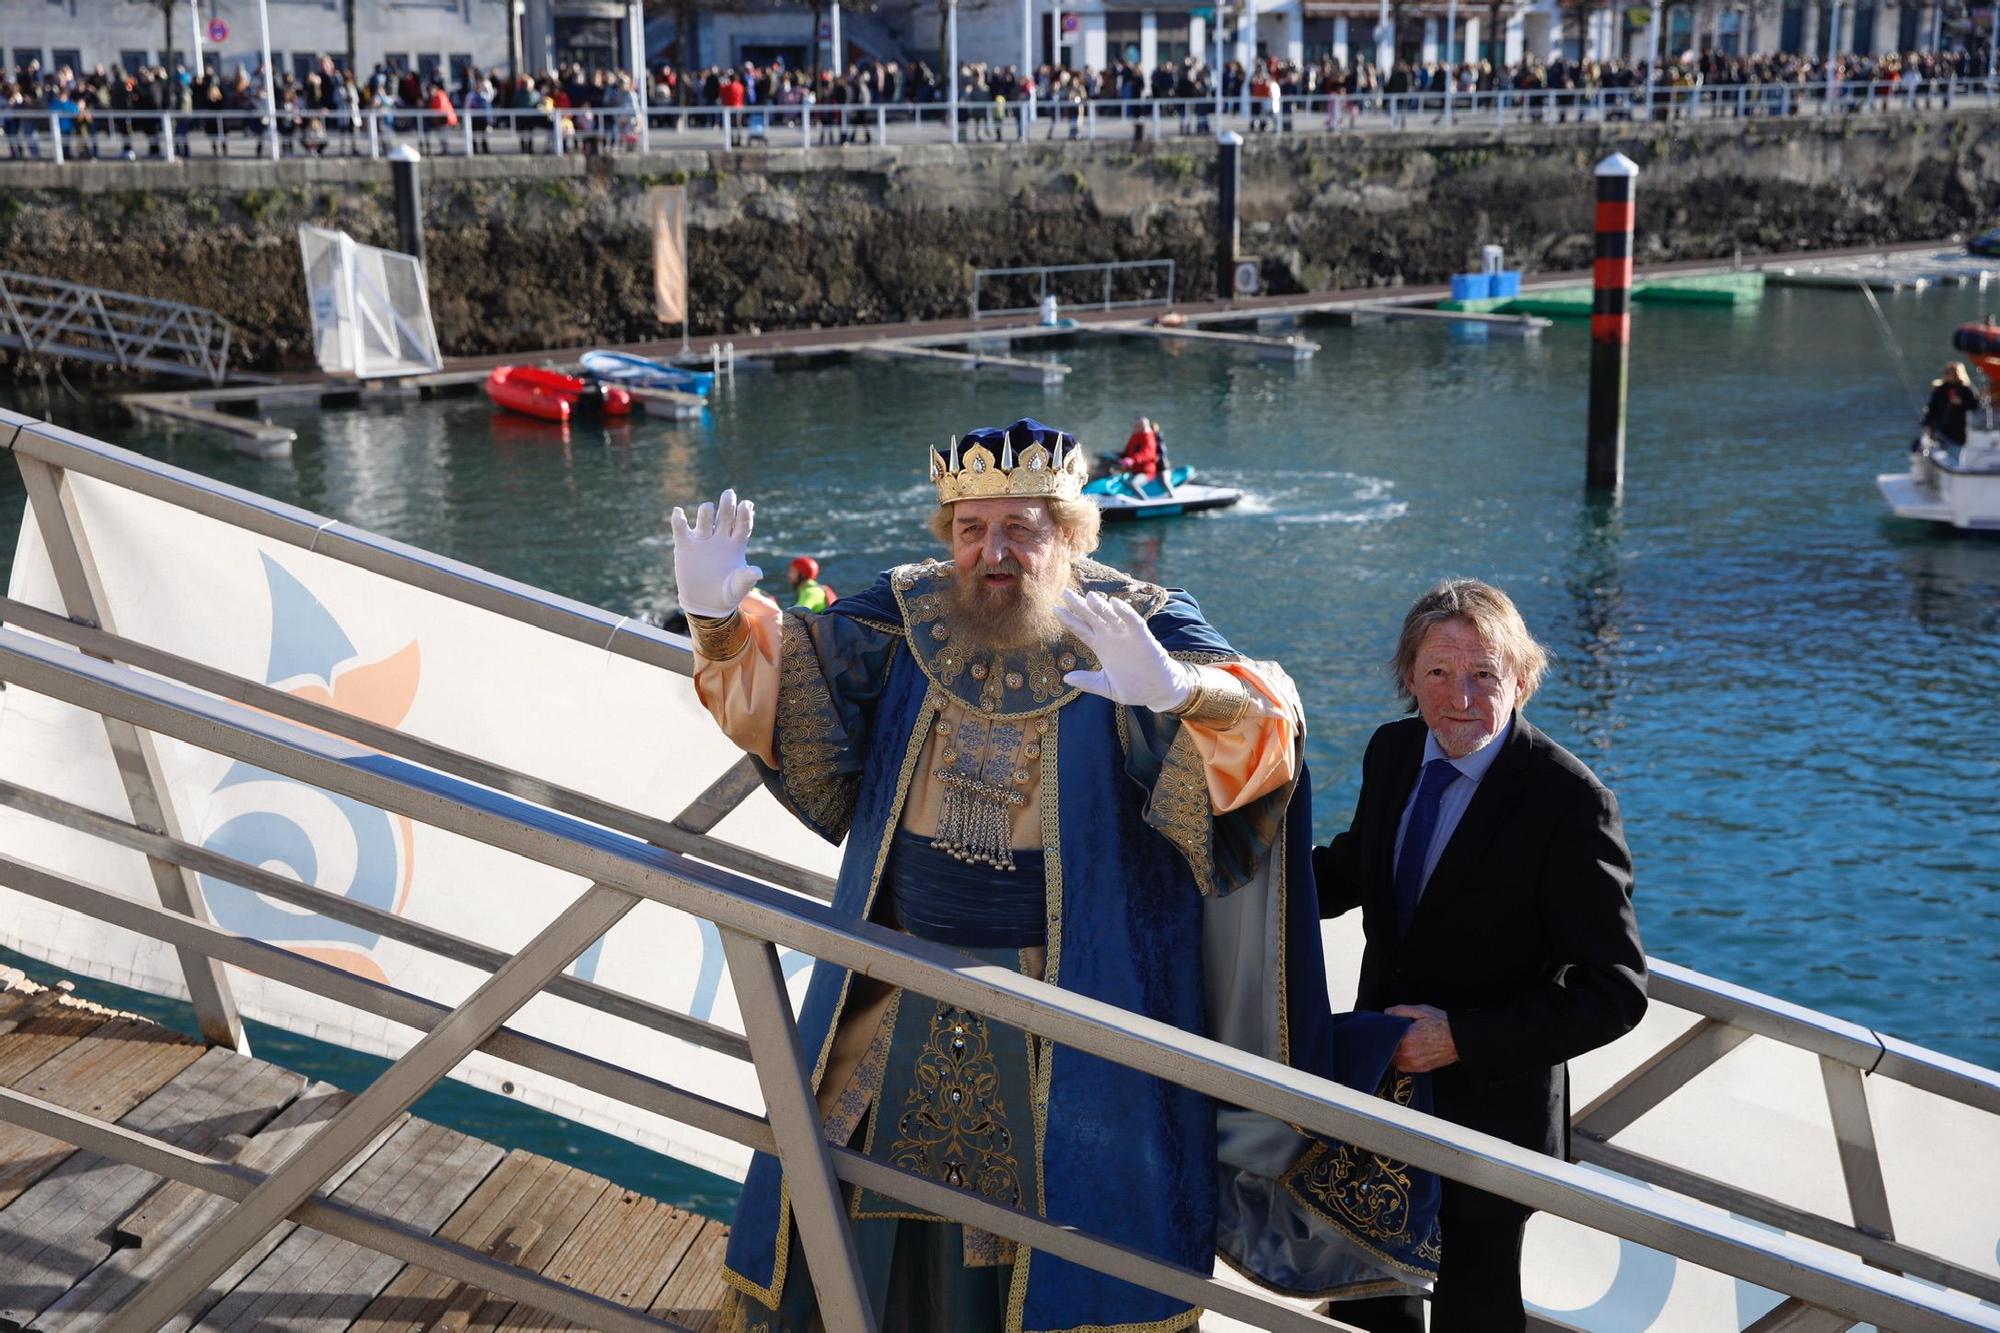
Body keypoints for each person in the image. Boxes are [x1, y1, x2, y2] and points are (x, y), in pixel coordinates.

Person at [674, 419, 1438, 1333]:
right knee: (858, 1210)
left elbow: (1270, 725)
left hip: (1077, 1004)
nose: (992, 552)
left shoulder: (1139, 621)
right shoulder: (906, 611)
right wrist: (719, 623)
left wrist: (1181, 694)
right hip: (897, 978)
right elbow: (803, 701)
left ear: (1071, 533)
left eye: (1020, 529)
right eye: (971, 529)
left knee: (1061, 1239)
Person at [1312, 578, 1647, 1333]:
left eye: (1483, 674)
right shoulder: (1393, 751)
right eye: (1437, 672)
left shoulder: (1570, 801)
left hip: (1489, 1121)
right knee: (1369, 1302)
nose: (1459, 696)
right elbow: (1350, 869)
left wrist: (1459, 1036)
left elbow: (1616, 990)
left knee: (1477, 1313)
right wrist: (1224, 881)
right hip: (1380, 1094)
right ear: (1408, 677)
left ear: (1522, 680)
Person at [1919, 361, 1979, 450]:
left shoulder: (1965, 389)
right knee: (1938, 449)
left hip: (1958, 428)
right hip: (1940, 427)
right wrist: (1927, 423)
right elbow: (1931, 407)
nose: (1947, 375)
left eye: (1949, 373)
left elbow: (1975, 406)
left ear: (1957, 374)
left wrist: (1961, 402)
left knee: (1956, 450)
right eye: (1946, 372)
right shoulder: (1940, 389)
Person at [1115, 415, 1161, 481]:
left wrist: (1132, 460)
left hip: (1145, 471)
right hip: (1134, 469)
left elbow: (1146, 455)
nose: (1134, 427)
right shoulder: (1135, 436)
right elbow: (1128, 450)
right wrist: (1119, 455)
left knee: (1133, 484)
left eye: (1137, 425)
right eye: (1135, 425)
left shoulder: (1149, 438)